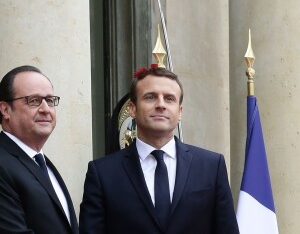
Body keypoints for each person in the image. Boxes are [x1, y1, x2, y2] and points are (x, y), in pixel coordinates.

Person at [79, 67, 239, 234]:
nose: (161, 105)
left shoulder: (211, 167)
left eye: (169, 99)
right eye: (150, 97)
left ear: (180, 112)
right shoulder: (102, 172)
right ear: (132, 109)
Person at [0, 65, 79, 234]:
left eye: (50, 101)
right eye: (34, 101)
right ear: (5, 109)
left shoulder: (41, 162)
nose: (45, 109)